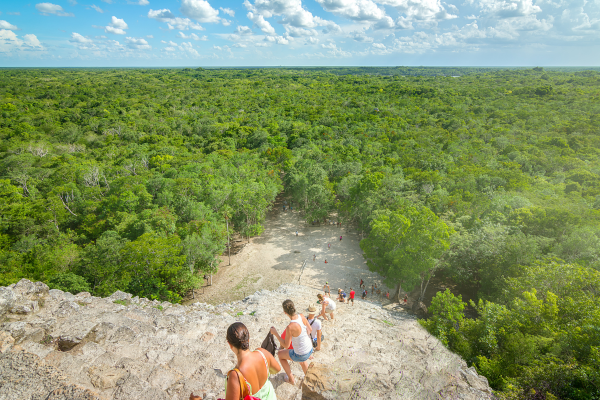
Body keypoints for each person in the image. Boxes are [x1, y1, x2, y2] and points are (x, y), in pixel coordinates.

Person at [189, 322, 281, 400]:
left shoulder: (236, 375)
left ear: (229, 344)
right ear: (248, 339)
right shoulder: (262, 352)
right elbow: (277, 369)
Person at [270, 300, 313, 386]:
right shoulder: (301, 316)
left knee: (280, 355)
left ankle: (291, 379)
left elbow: (286, 345)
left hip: (301, 354)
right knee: (302, 357)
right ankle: (308, 379)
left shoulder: (290, 327)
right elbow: (310, 330)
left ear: (285, 312)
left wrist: (276, 334)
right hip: (310, 349)